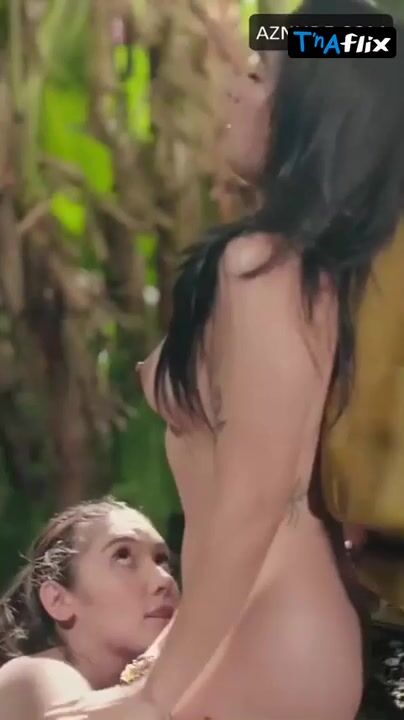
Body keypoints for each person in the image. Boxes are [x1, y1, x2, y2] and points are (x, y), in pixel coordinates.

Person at [46, 0, 404, 719]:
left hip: (271, 631)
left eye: (255, 74)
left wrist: (158, 695)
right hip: (260, 627)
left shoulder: (264, 265)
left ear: (305, 116)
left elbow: (256, 499)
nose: (232, 89)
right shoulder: (317, 270)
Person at [0, 497, 179, 719]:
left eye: (161, 560)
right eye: (122, 556)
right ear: (58, 599)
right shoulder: (35, 674)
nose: (164, 580)